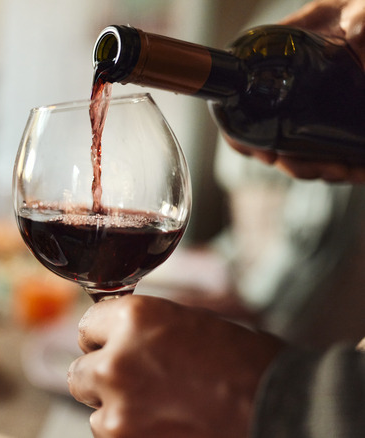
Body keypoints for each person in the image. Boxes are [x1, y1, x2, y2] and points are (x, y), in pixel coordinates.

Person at [67, 1, 365, 437]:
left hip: (305, 335)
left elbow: (314, 252)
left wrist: (272, 394)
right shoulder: (289, 33)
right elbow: (252, 226)